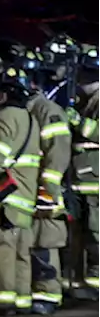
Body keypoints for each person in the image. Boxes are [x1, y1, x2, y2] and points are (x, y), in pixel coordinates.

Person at [0, 65, 41, 315]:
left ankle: (2, 301)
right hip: (24, 197)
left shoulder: (4, 118)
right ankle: (21, 299)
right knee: (21, 253)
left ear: (4, 93)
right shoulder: (30, 119)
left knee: (0, 250)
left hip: (4, 199)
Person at [14, 50, 72, 314]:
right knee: (27, 242)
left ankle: (48, 293)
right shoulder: (25, 108)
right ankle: (30, 291)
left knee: (44, 242)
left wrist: (47, 190)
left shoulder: (47, 111)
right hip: (25, 187)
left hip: (42, 188)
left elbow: (57, 153)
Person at [65, 46, 100, 300]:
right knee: (79, 234)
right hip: (80, 178)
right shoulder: (84, 100)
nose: (83, 82)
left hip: (96, 179)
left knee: (97, 234)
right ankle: (80, 283)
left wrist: (78, 122)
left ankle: (96, 281)